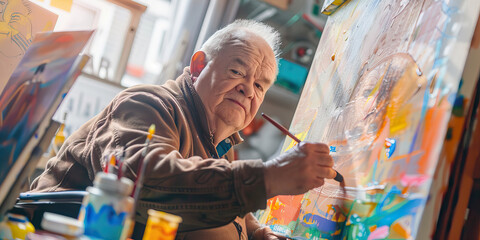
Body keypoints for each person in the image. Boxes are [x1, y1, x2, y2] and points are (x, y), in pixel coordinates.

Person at [30, 19, 336, 240]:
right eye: (236, 72)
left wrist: (255, 232)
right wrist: (267, 177)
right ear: (199, 65)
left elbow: (214, 192)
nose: (248, 90)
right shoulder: (148, 103)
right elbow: (142, 182)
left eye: (259, 85)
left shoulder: (220, 142)